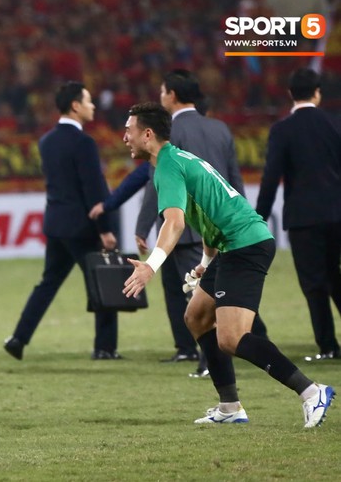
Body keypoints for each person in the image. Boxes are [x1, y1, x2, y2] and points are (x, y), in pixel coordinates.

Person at [121, 102, 334, 427]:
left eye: (129, 129)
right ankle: (230, 407)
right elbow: (211, 216)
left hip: (245, 245)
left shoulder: (166, 166)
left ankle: (310, 391)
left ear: (147, 134)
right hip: (233, 244)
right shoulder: (179, 158)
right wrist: (206, 262)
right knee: (196, 316)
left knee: (231, 337)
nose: (125, 137)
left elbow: (174, 223)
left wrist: (151, 265)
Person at [90, 70, 268, 375]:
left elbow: (154, 184)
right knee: (199, 304)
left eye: (162, 91)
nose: (161, 96)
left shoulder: (169, 141)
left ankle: (210, 359)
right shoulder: (220, 129)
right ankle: (213, 377)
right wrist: (244, 218)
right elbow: (231, 179)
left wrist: (142, 225)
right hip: (222, 230)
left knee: (202, 305)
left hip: (191, 230)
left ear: (171, 94)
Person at [3, 81, 120, 361]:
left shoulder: (47, 141)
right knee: (102, 284)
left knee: (48, 283)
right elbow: (92, 188)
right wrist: (104, 228)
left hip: (56, 224)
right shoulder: (83, 143)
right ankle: (104, 348)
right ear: (76, 106)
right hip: (82, 226)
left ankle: (19, 338)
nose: (93, 106)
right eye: (88, 101)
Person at [256, 67, 341, 362]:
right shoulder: (335, 125)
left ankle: (328, 346)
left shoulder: (283, 130)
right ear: (317, 93)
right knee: (336, 278)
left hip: (304, 218)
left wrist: (258, 219)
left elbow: (270, 178)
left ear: (291, 94)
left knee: (314, 283)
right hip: (337, 215)